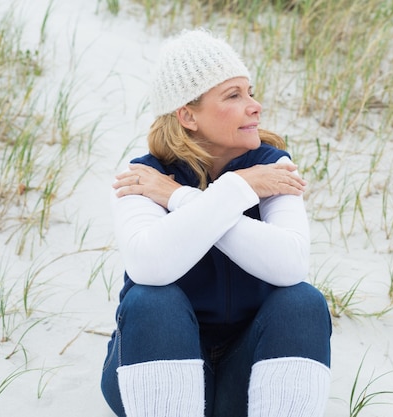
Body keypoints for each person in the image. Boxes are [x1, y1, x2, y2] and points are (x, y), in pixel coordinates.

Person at [100, 28, 332, 417]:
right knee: (151, 300)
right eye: (233, 95)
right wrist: (237, 190)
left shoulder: (273, 169)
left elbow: (291, 265)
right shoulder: (142, 177)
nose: (254, 106)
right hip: (152, 362)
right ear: (188, 115)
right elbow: (150, 266)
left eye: (251, 92)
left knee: (302, 301)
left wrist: (183, 197)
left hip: (246, 373)